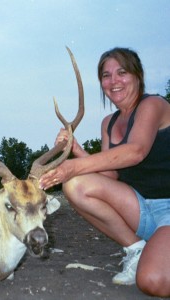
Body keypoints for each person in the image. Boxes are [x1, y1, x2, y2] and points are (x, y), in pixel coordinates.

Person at [39, 47, 170, 297]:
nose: (113, 81)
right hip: (140, 207)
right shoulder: (108, 123)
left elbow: (136, 151)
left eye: (122, 72)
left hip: (168, 209)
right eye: (106, 76)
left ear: (138, 76)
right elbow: (110, 176)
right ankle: (135, 249)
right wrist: (76, 150)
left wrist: (72, 166)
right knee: (75, 185)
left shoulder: (153, 104)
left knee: (154, 281)